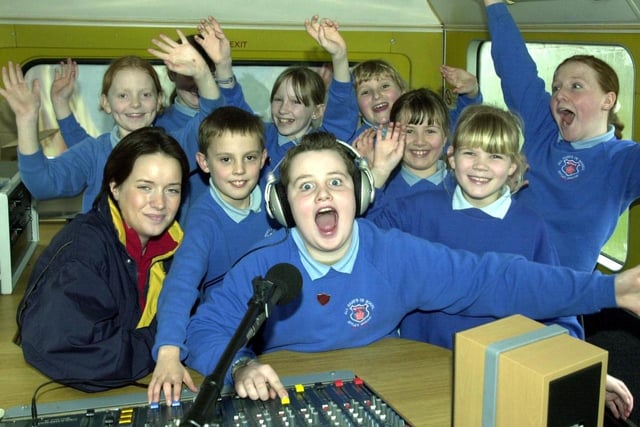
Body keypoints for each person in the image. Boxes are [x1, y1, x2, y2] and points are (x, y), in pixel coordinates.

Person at [184, 131, 640, 409]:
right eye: (306, 186)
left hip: (381, 383)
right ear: (285, 206)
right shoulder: (264, 268)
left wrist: (610, 289)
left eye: (336, 182)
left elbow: (495, 278)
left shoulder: (396, 254)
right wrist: (240, 368)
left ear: (359, 194)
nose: (323, 196)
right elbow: (205, 331)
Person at [368, 104, 585, 346]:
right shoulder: (415, 210)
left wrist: (571, 358)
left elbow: (557, 306)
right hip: (423, 357)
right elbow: (362, 240)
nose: (480, 166)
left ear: (512, 166)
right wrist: (379, 171)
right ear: (451, 157)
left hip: (500, 364)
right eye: (470, 153)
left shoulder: (530, 226)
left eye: (495, 156)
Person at [14, 127, 189, 391]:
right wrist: (163, 344)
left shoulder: (178, 246)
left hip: (136, 381)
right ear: (115, 187)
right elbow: (71, 348)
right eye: (145, 187)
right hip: (63, 391)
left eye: (172, 190)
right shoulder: (83, 254)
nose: (160, 203)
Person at [0, 27, 224, 214]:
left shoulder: (175, 147)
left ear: (158, 102)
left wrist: (203, 73)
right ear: (106, 103)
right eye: (123, 96)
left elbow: (212, 122)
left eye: (145, 95)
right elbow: (42, 184)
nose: (135, 104)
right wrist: (27, 120)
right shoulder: (94, 152)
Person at [147, 106, 278, 404]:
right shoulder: (203, 221)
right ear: (204, 163)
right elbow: (181, 284)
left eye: (249, 158)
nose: (239, 170)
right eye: (225, 160)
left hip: (276, 326)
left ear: (264, 157)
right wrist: (168, 351)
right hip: (228, 328)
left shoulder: (278, 204)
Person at [196, 15, 359, 181]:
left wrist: (339, 57)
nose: (283, 109)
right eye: (278, 99)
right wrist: (223, 64)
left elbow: (341, 106)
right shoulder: (261, 136)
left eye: (296, 101)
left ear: (317, 111)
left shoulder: (324, 145)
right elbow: (233, 106)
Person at [354, 81, 479, 201]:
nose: (420, 141)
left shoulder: (466, 188)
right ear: (394, 136)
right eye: (409, 131)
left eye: (430, 131)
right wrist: (375, 175)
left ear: (445, 137)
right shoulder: (380, 186)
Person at [350, 62, 481, 143]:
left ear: (403, 93)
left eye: (384, 86)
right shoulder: (358, 143)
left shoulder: (428, 124)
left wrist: (471, 92)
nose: (376, 95)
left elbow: (463, 119)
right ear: (357, 108)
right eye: (365, 92)